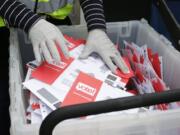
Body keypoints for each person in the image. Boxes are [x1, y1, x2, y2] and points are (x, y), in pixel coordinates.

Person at [0, 0, 129, 134]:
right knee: (7, 106)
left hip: (57, 28)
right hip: (7, 22)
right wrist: (29, 21)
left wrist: (97, 27)